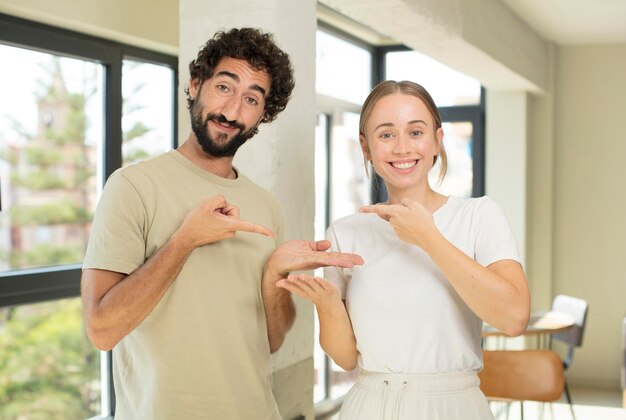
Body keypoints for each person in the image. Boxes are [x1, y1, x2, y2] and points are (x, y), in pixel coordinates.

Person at [81, 28, 363, 420]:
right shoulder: (133, 186)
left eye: (251, 99)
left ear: (262, 115)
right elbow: (102, 330)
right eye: (225, 87)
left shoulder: (266, 207)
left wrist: (273, 275)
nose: (232, 112)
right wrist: (184, 240)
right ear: (196, 85)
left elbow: (272, 340)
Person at [277, 80, 531, 420]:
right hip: (369, 405)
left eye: (415, 132)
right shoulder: (346, 231)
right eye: (385, 135)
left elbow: (514, 317)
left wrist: (428, 238)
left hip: (453, 406)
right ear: (366, 148)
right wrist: (327, 305)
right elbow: (347, 358)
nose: (401, 147)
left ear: (438, 141)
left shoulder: (478, 216)